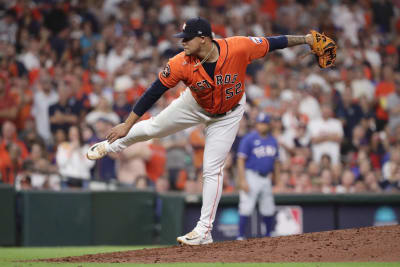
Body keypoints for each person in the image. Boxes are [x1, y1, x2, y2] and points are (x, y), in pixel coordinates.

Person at [87, 17, 315, 245]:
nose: (183, 42)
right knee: (153, 127)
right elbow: (154, 91)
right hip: (194, 105)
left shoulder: (239, 47)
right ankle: (111, 146)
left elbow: (274, 42)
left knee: (212, 169)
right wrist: (127, 123)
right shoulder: (180, 62)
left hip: (228, 114)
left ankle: (204, 230)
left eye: (187, 38)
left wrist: (305, 39)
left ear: (204, 39)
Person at [236, 113, 279, 240]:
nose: (261, 126)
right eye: (260, 123)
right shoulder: (249, 139)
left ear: (268, 125)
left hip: (266, 177)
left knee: (268, 207)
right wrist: (242, 180)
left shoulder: (273, 140)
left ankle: (269, 234)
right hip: (251, 175)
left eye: (264, 123)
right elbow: (240, 160)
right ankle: (240, 236)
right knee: (246, 206)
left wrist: (278, 179)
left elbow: (276, 162)